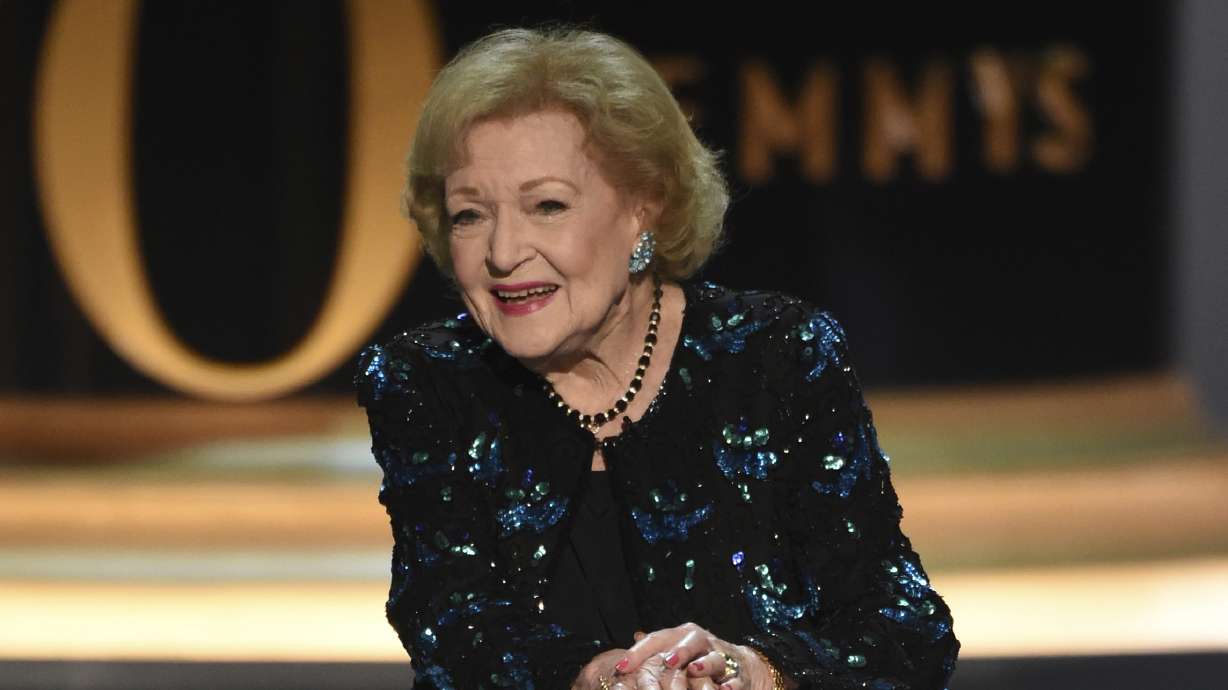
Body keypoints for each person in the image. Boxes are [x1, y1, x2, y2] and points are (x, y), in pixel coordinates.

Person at [354, 26, 959, 690]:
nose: (502, 252)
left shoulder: (776, 356)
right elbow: (452, 627)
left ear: (643, 207)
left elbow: (904, 629)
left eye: (547, 205)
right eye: (470, 214)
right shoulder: (427, 381)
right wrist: (594, 678)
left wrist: (754, 672)